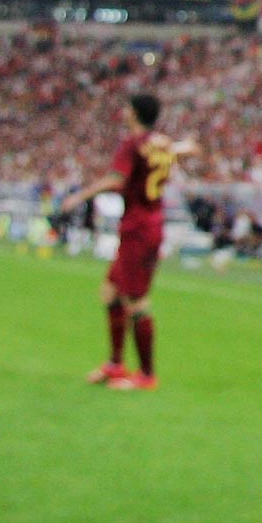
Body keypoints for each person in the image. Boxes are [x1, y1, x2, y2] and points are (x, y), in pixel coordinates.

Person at [59, 92, 190, 391]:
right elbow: (183, 150)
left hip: (140, 227)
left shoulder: (133, 144)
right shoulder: (160, 143)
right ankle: (116, 365)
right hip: (144, 223)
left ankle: (146, 375)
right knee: (110, 292)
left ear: (133, 113)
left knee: (136, 300)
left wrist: (80, 195)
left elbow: (117, 180)